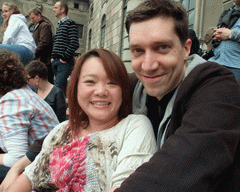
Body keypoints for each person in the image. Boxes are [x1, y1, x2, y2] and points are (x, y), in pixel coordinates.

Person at [115, 0, 240, 191]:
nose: (148, 65)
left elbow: (185, 161)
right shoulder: (131, 86)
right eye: (138, 51)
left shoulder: (219, 86)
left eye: (162, 47)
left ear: (186, 49)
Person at [6, 49, 157, 192]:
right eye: (90, 82)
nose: (101, 92)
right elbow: (30, 176)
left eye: (112, 83)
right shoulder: (62, 130)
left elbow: (126, 186)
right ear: (76, 88)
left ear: (123, 90)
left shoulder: (134, 126)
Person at [0, 49, 59, 184]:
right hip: (46, 162)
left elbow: (16, 159)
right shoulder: (22, 93)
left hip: (45, 171)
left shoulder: (12, 101)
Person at [208, 0, 240, 89]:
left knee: (224, 101)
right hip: (215, 61)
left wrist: (231, 35)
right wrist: (218, 35)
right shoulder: (229, 11)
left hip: (236, 66)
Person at [51, 1, 79, 94]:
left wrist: (64, 58)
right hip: (56, 62)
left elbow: (74, 43)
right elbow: (57, 43)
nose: (53, 9)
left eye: (55, 7)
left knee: (57, 89)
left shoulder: (70, 23)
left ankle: (56, 109)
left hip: (63, 62)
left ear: (62, 10)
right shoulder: (60, 26)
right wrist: (53, 57)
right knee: (60, 90)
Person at [28, 8, 54, 84]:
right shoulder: (39, 27)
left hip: (44, 61)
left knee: (46, 84)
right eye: (31, 18)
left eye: (33, 18)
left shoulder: (45, 26)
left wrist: (34, 53)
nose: (32, 20)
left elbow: (44, 42)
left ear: (39, 15)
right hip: (39, 61)